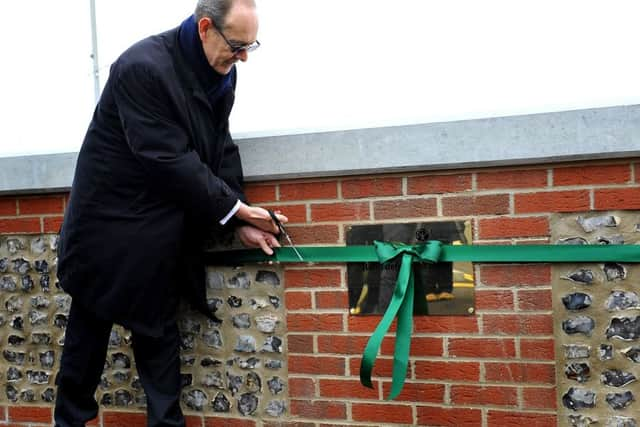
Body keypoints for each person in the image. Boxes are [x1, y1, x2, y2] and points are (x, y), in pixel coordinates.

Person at [54, 1, 283, 426]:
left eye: (251, 46)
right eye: (238, 45)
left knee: (159, 345)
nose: (244, 58)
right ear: (204, 28)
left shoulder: (221, 69)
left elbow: (219, 146)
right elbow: (167, 158)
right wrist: (235, 210)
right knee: (85, 350)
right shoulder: (143, 67)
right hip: (107, 233)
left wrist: (241, 220)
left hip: (158, 236)